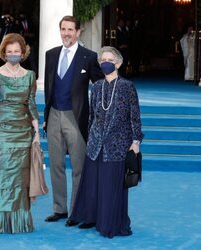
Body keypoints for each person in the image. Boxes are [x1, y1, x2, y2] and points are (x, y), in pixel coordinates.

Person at [68, 46, 143, 238]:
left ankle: (111, 222)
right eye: (102, 60)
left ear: (117, 63)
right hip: (96, 143)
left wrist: (136, 142)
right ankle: (91, 217)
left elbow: (134, 116)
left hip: (118, 144)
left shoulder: (127, 86)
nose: (105, 63)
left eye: (109, 59)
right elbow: (92, 115)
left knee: (111, 185)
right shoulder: (97, 86)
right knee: (93, 184)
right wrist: (90, 138)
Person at [0, 33, 40, 233]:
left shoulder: (29, 76)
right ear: (3, 53)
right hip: (1, 131)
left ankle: (18, 221)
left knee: (20, 178)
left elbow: (30, 103)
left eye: (16, 52)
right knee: (1, 175)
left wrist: (36, 132)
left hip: (23, 132)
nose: (13, 55)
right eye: (9, 52)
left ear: (23, 53)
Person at [43, 15, 104, 227]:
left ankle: (77, 211)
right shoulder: (50, 55)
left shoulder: (89, 56)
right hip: (54, 117)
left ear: (78, 32)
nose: (66, 33)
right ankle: (59, 209)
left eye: (71, 29)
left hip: (76, 118)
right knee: (55, 165)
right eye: (63, 29)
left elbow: (101, 85)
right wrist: (46, 117)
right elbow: (49, 89)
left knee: (79, 168)